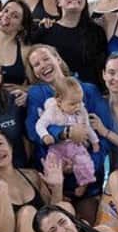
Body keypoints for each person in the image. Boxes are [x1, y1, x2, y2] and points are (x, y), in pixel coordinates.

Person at [25, 44, 112, 221]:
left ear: (58, 59)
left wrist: (86, 168)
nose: (43, 65)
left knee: (87, 225)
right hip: (53, 178)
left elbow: (103, 139)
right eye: (36, 64)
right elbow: (33, 130)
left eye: (46, 58)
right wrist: (65, 132)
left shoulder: (88, 90)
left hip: (87, 180)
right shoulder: (36, 94)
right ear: (34, 73)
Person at [30, 0, 108, 90]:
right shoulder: (46, 30)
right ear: (59, 2)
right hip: (55, 93)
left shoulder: (96, 32)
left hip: (89, 93)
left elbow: (102, 67)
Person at [35, 77, 101, 196]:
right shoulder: (52, 112)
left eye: (79, 102)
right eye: (72, 104)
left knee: (84, 161)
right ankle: (53, 190)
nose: (77, 106)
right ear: (59, 101)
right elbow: (40, 124)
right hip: (57, 147)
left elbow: (87, 127)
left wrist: (95, 141)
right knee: (52, 165)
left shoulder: (81, 111)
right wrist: (45, 135)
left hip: (75, 146)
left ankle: (84, 183)